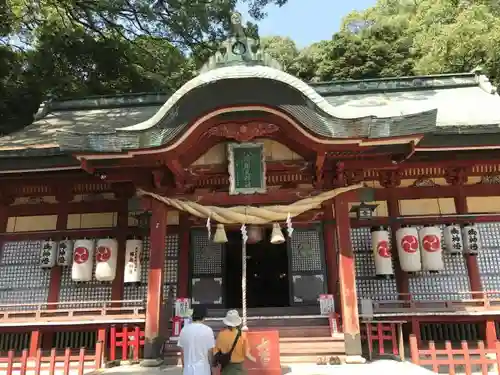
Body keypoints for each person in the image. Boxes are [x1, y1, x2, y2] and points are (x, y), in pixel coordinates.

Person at [214, 310, 256, 375]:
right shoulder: (242, 335)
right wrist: (256, 361)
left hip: (226, 369)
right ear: (238, 323)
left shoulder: (221, 335)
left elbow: (216, 351)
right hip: (239, 370)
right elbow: (247, 354)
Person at [177, 305, 215, 375]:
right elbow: (210, 352)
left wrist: (184, 367)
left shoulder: (184, 330)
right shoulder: (208, 330)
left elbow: (182, 352)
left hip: (188, 370)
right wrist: (211, 366)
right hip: (203, 370)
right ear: (204, 317)